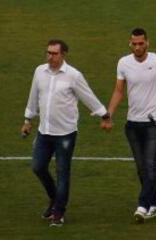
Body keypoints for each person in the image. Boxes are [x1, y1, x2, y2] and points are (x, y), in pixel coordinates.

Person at [101, 28, 156, 223]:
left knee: (150, 165)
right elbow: (118, 91)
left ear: (147, 43)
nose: (137, 47)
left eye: (141, 43)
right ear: (130, 44)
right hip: (132, 125)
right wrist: (108, 114)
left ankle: (142, 205)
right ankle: (155, 204)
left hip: (154, 123)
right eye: (134, 43)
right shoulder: (123, 63)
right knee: (142, 169)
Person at [21, 39, 110, 227]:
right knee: (37, 167)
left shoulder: (73, 76)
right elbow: (33, 96)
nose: (50, 57)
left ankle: (59, 212)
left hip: (65, 134)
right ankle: (54, 199)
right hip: (44, 132)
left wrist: (104, 114)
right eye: (48, 53)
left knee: (62, 173)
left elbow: (88, 96)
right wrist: (28, 120)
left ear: (63, 55)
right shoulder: (39, 72)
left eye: (54, 53)